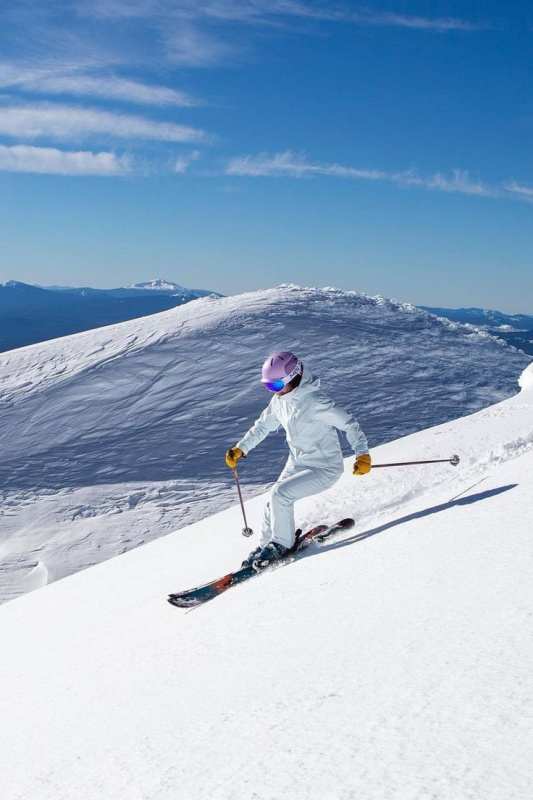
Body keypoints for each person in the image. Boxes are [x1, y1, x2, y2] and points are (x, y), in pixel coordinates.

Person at [225, 350, 371, 570]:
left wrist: (362, 453)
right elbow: (263, 426)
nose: (272, 391)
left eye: (274, 385)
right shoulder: (280, 401)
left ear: (292, 377)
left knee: (280, 495)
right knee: (272, 501)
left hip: (325, 468)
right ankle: (265, 546)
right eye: (268, 386)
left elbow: (349, 423)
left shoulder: (314, 401)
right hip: (298, 462)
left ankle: (281, 544)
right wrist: (240, 449)